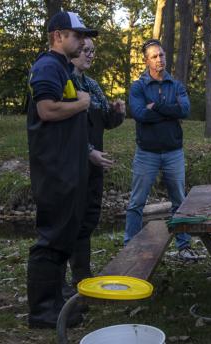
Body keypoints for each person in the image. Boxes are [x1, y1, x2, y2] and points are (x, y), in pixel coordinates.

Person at [26, 11, 97, 328]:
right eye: (77, 35)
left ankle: (58, 297)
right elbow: (46, 109)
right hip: (54, 168)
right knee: (51, 238)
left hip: (71, 167)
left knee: (66, 234)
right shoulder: (46, 66)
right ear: (58, 35)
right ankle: (42, 311)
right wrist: (82, 103)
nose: (83, 41)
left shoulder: (63, 68)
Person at [61, 37, 126, 296]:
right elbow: (63, 128)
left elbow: (105, 122)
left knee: (89, 218)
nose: (89, 55)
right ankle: (60, 280)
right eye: (85, 50)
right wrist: (88, 152)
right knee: (70, 221)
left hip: (94, 164)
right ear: (74, 50)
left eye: (93, 51)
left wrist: (118, 112)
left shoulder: (93, 85)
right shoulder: (63, 81)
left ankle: (82, 276)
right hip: (71, 163)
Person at [124, 39, 198, 260]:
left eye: (162, 55)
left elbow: (184, 110)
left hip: (173, 152)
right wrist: (169, 111)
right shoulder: (138, 87)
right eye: (154, 56)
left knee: (179, 200)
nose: (160, 59)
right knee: (137, 201)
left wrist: (156, 106)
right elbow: (139, 114)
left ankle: (183, 246)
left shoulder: (176, 85)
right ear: (146, 60)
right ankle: (130, 245)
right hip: (147, 153)